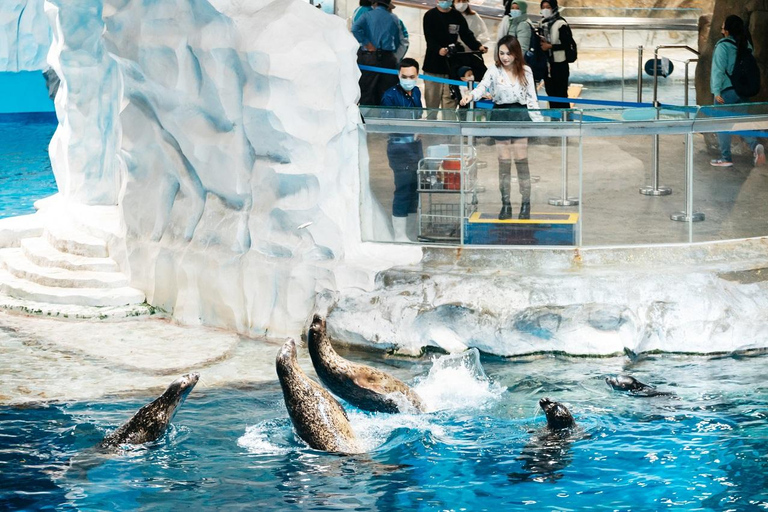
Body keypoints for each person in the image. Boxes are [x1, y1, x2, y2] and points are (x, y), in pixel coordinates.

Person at [460, 36, 543, 220]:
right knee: (503, 162)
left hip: (520, 115)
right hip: (500, 114)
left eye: (509, 53)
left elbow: (532, 98)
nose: (505, 57)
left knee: (521, 161)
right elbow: (481, 87)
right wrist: (470, 96)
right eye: (502, 53)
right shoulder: (494, 71)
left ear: (516, 53)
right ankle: (505, 204)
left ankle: (525, 204)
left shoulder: (526, 70)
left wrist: (538, 123)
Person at [710, 14, 765, 168]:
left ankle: (726, 157)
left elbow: (718, 70)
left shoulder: (723, 46)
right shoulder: (746, 46)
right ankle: (755, 147)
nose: (721, 29)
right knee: (741, 122)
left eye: (723, 26)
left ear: (727, 30)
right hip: (742, 91)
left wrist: (716, 92)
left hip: (726, 92)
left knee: (722, 124)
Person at [380, 58, 425, 241]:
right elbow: (387, 124)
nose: (408, 79)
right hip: (399, 148)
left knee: (415, 190)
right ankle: (399, 235)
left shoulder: (415, 92)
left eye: (412, 76)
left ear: (417, 76)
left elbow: (420, 113)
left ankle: (411, 233)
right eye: (404, 76)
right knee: (403, 189)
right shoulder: (389, 96)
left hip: (415, 147)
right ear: (399, 75)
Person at [422, 0, 488, 116]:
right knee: (432, 101)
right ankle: (432, 128)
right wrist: (438, 50)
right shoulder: (430, 15)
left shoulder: (456, 16)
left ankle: (450, 131)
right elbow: (429, 38)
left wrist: (478, 46)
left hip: (452, 65)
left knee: (450, 101)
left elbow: (466, 34)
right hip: (433, 65)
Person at [352, 0, 404, 106]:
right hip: (388, 58)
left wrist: (367, 43)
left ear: (375, 4)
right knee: (387, 91)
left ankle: (366, 118)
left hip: (369, 57)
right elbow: (398, 39)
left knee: (367, 90)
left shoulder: (367, 15)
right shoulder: (393, 18)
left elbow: (355, 28)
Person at [538, 0, 571, 110]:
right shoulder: (542, 23)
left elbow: (567, 44)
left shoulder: (561, 24)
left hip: (560, 64)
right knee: (551, 94)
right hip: (547, 65)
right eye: (543, 7)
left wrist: (551, 46)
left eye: (548, 7)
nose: (545, 10)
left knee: (561, 95)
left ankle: (567, 122)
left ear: (554, 8)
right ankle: (554, 121)